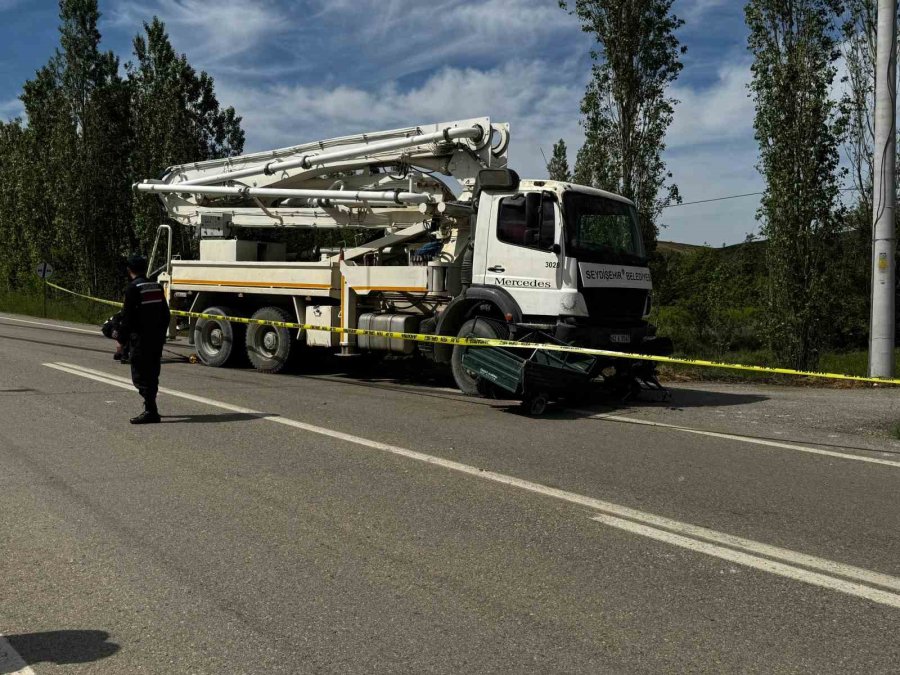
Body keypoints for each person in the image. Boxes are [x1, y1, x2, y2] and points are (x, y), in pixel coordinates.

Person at [118, 254, 170, 424]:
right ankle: (151, 406)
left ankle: (150, 411)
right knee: (153, 373)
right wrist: (161, 335)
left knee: (140, 375)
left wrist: (121, 340)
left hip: (140, 339)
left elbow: (127, 318)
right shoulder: (155, 286)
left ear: (129, 270)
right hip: (155, 338)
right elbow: (165, 314)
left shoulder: (133, 288)